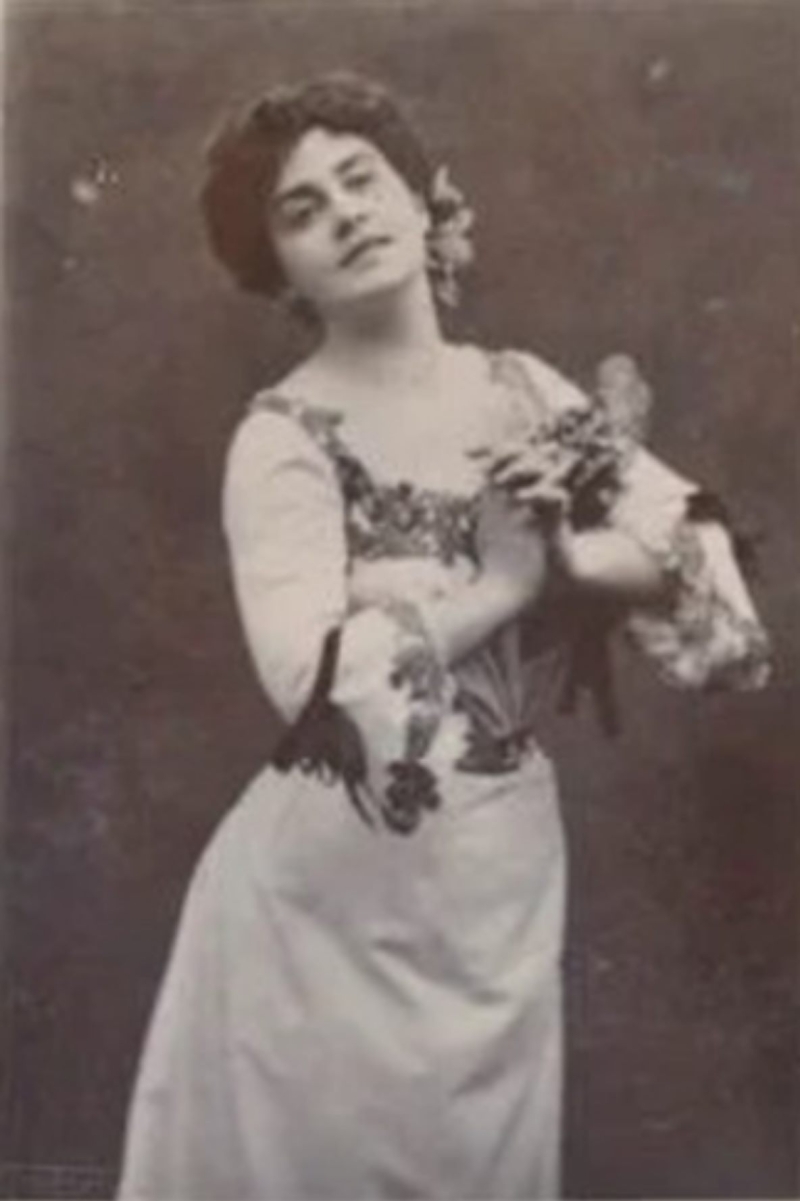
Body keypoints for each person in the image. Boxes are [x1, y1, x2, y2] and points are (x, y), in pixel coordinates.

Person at [117, 73, 771, 1200]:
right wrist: (507, 582)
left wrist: (576, 559)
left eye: (361, 180)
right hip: (321, 904)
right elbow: (311, 690)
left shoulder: (524, 392)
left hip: (494, 876)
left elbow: (714, 615)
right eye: (301, 209)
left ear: (426, 199)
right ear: (278, 267)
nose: (345, 214)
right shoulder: (282, 437)